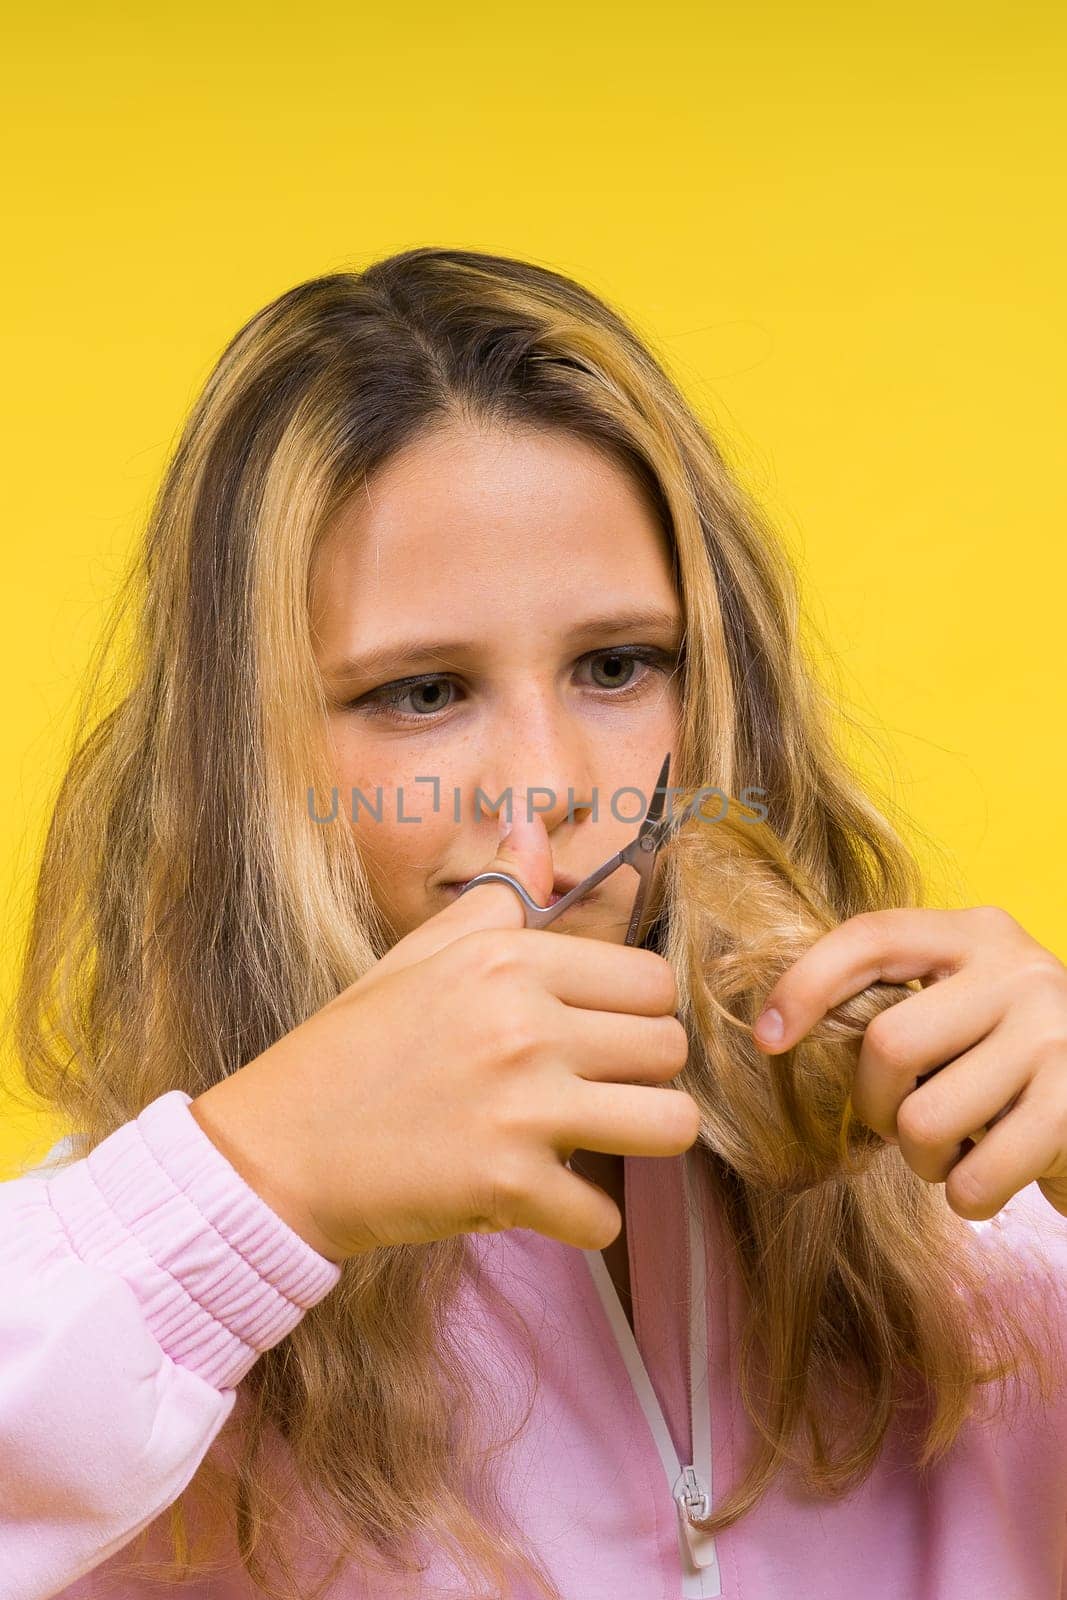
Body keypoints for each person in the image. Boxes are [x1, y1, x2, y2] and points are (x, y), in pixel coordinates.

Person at [3, 246, 1067, 1600]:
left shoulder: (985, 1262)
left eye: (619, 667)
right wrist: (254, 1188)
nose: (550, 784)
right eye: (421, 691)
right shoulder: (116, 1323)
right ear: (247, 758)